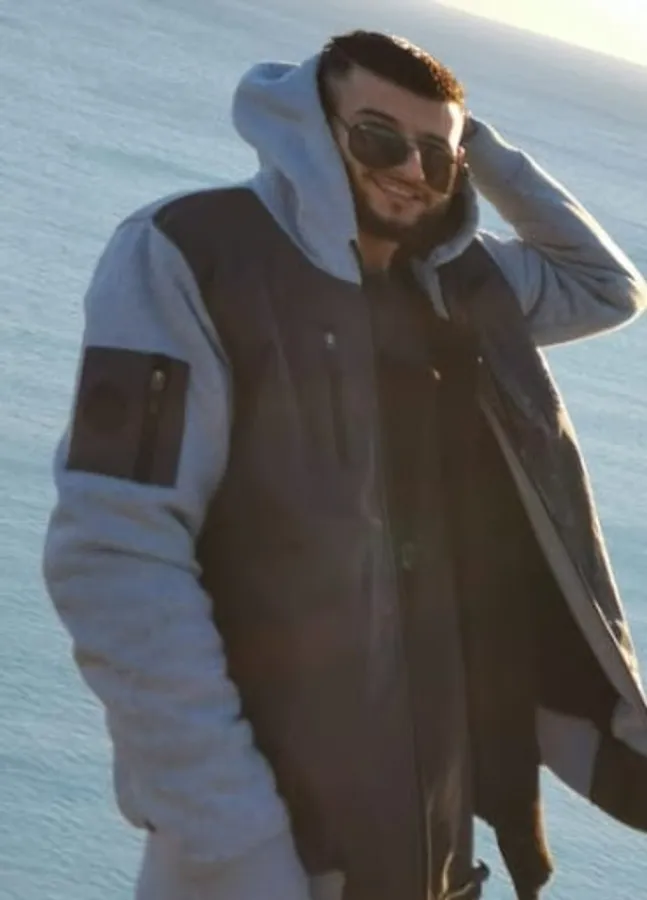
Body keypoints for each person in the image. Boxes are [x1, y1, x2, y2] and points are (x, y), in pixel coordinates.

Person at [42, 29, 647, 900]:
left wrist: (469, 140)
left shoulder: (457, 285)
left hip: (432, 849)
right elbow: (116, 558)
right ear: (308, 129)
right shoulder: (194, 254)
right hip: (268, 858)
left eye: (432, 155)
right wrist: (236, 850)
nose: (409, 170)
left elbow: (605, 286)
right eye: (376, 138)